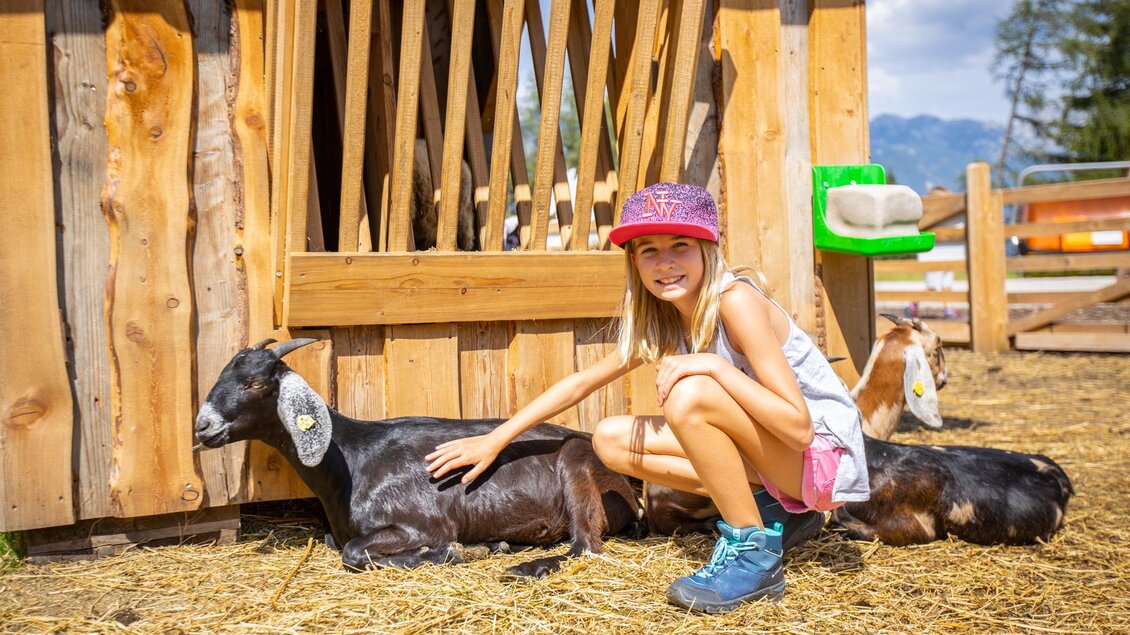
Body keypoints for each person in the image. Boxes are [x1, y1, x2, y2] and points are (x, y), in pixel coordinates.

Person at [425, 182, 869, 613]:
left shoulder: (735, 302)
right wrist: (495, 439)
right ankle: (776, 511)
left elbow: (798, 428)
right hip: (784, 462)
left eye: (680, 245)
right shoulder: (668, 319)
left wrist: (712, 366)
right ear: (633, 260)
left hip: (821, 461)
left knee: (690, 394)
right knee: (610, 439)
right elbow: (581, 383)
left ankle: (752, 556)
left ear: (708, 249)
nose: (665, 262)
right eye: (649, 250)